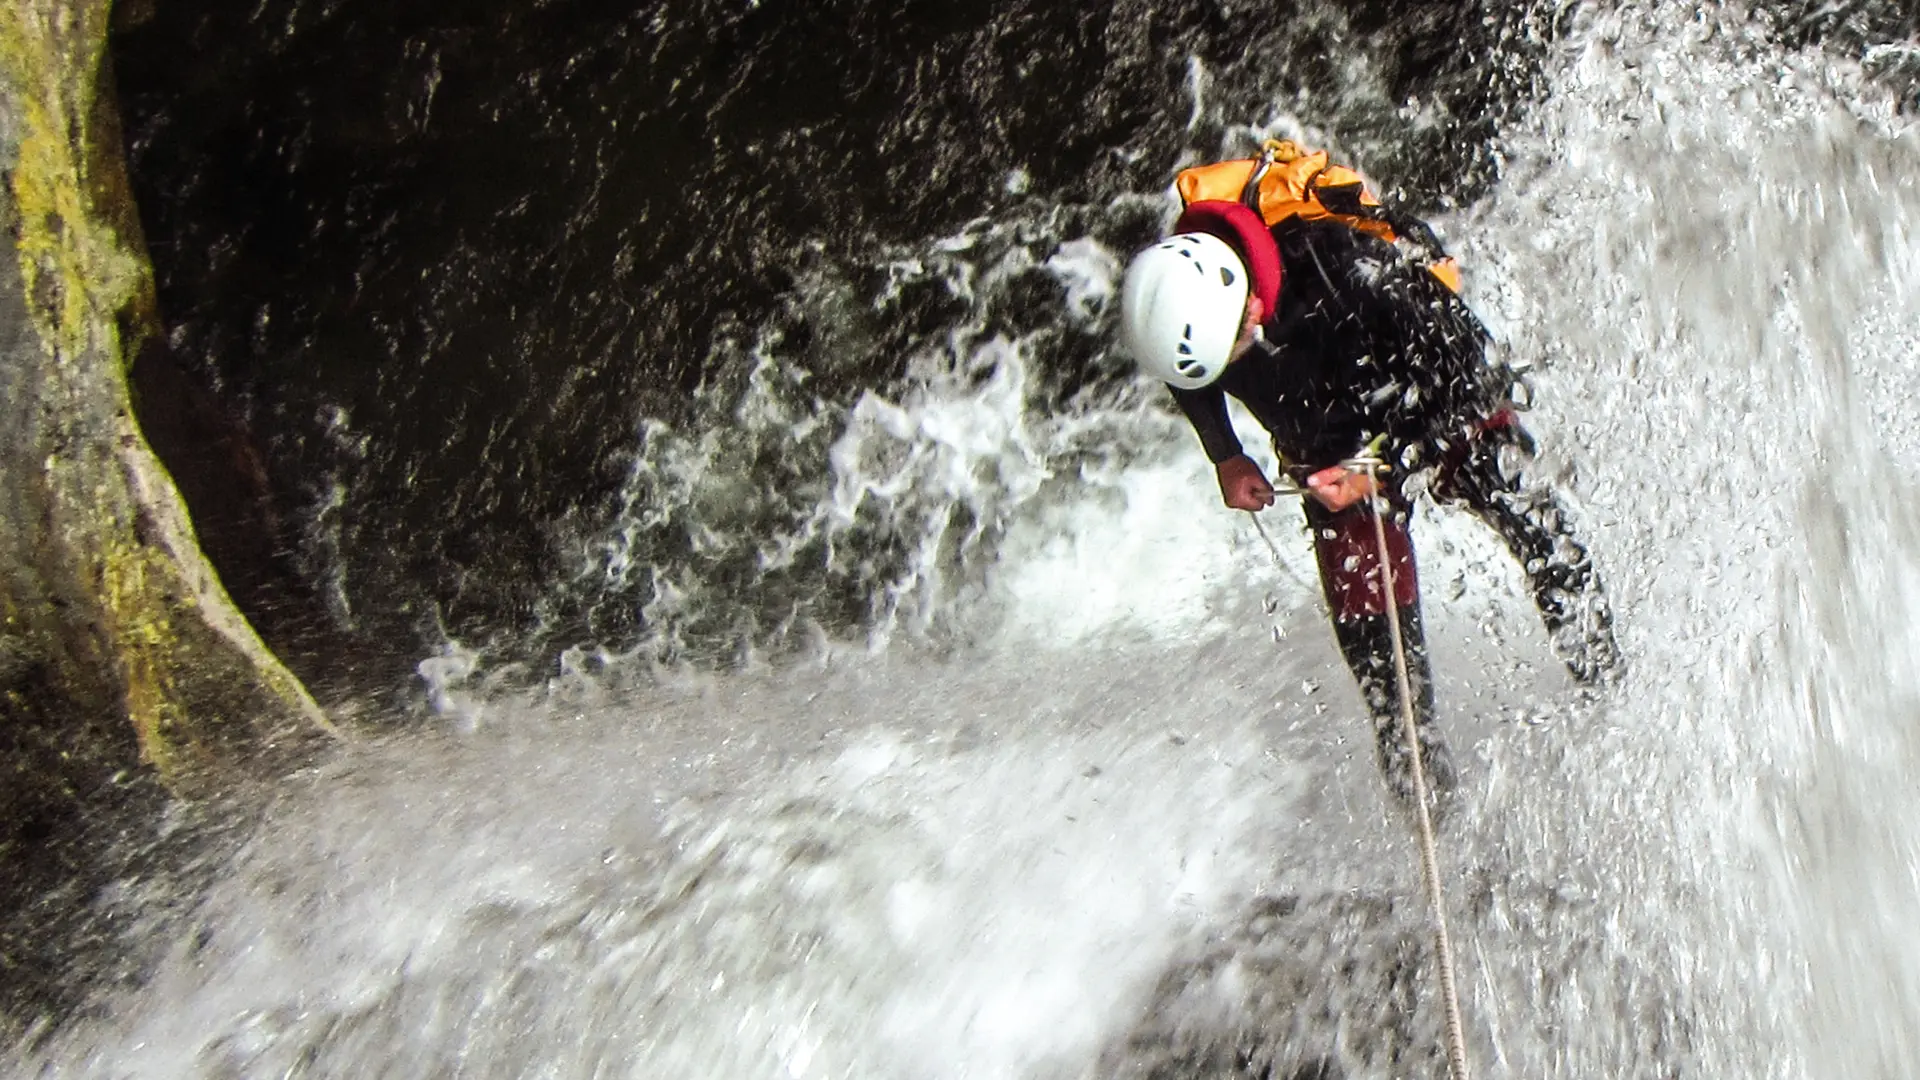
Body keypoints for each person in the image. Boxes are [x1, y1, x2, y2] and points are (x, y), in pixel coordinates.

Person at [1117, 140, 1620, 815]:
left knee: (1532, 525)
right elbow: (1190, 373)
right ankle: (1430, 808)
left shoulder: (1356, 272)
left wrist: (1378, 466)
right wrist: (1225, 453)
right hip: (1321, 428)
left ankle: (1611, 692)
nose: (1240, 356)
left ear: (1247, 299)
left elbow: (1473, 380)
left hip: (1422, 386)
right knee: (1384, 678)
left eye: (1238, 343)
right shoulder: (1178, 291)